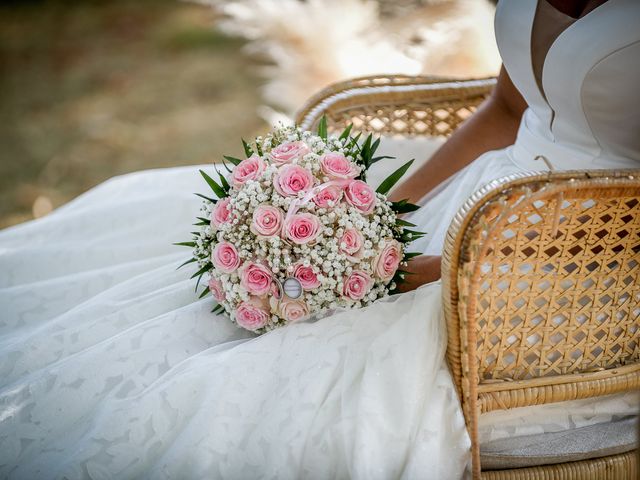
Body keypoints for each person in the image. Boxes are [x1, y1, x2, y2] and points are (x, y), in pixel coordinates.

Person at [1, 1, 638, 478]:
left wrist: (439, 264)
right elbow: (506, 109)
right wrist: (381, 214)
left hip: (590, 247)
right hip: (480, 192)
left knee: (283, 381)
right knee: (187, 310)